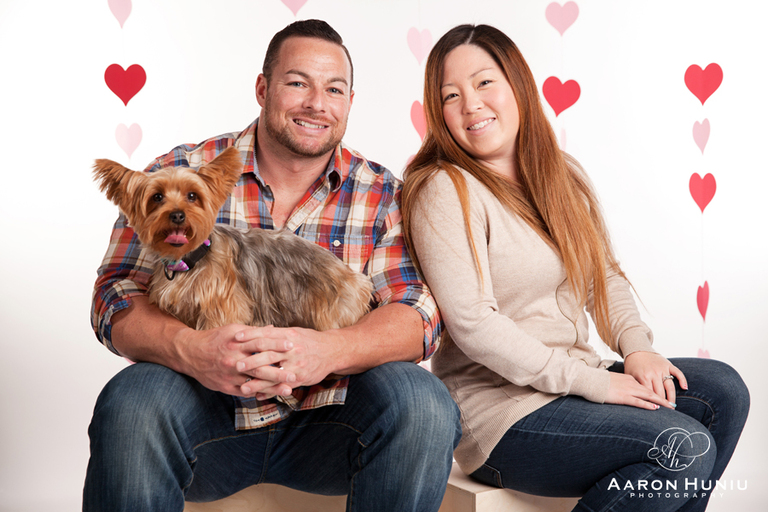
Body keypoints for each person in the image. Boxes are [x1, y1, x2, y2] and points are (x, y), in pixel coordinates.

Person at [85, 19, 460, 512]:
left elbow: (417, 313)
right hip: (203, 413)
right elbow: (115, 295)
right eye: (298, 83)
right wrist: (191, 349)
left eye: (334, 89)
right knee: (131, 403)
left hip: (332, 422)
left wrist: (328, 350)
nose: (317, 103)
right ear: (263, 89)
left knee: (423, 403)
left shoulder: (383, 193)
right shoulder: (181, 171)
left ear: (350, 101)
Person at [401, 23, 749, 512]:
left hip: (574, 381)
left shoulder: (561, 174)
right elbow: (474, 325)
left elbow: (602, 275)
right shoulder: (444, 188)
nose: (470, 104)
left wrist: (636, 348)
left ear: (517, 84)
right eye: (450, 96)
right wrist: (597, 384)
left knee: (724, 393)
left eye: (484, 83)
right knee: (683, 448)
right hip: (502, 413)